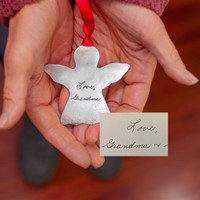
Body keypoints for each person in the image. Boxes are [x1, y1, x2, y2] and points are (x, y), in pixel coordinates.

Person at [0, 0, 198, 184]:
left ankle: (102, 131)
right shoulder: (90, 72)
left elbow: (117, 72)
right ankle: (38, 122)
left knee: (124, 84)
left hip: (114, 22)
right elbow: (57, 72)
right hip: (27, 15)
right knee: (33, 70)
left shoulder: (107, 71)